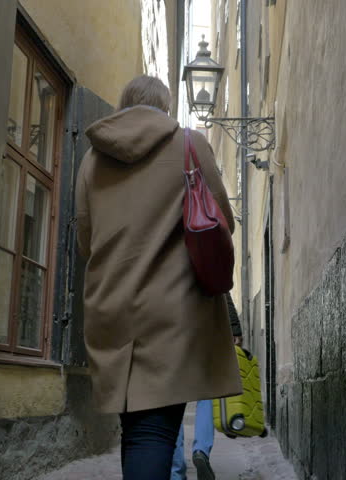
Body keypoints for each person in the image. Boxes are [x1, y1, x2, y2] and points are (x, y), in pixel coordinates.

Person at [75, 75, 242, 480]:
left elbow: (85, 237)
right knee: (154, 432)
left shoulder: (92, 159)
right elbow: (222, 221)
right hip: (172, 312)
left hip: (110, 307)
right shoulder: (187, 143)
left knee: (137, 430)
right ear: (164, 107)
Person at [171, 295, 243, 480]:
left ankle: (176, 469)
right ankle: (201, 450)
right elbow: (219, 282)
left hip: (171, 327)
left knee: (172, 398)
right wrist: (234, 326)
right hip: (203, 325)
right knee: (207, 393)